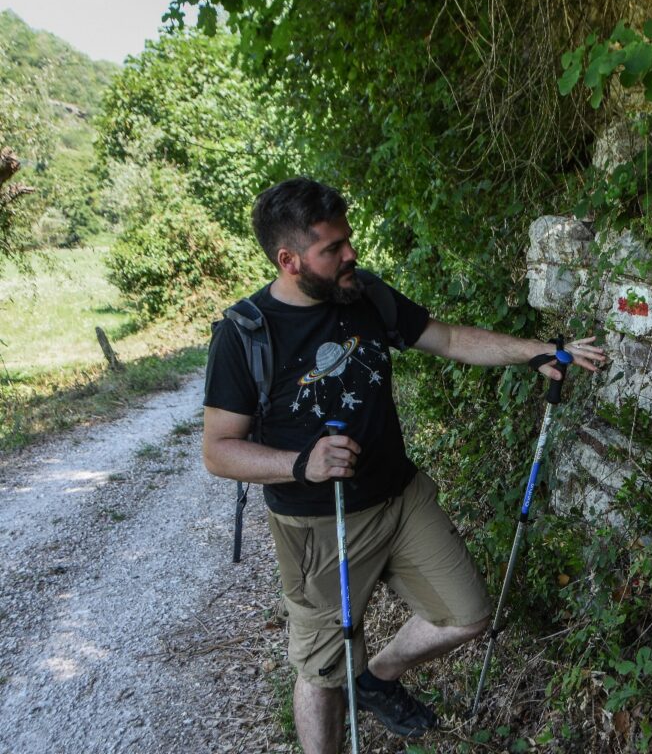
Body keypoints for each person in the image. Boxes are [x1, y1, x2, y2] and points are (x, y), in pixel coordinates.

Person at [202, 177, 604, 753]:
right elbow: (218, 449)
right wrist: (302, 464)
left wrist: (534, 351)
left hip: (400, 496)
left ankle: (377, 677)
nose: (351, 255)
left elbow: (444, 337)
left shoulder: (362, 293)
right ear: (289, 260)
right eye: (332, 249)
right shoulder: (245, 335)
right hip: (319, 523)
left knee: (466, 614)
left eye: (348, 240)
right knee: (322, 671)